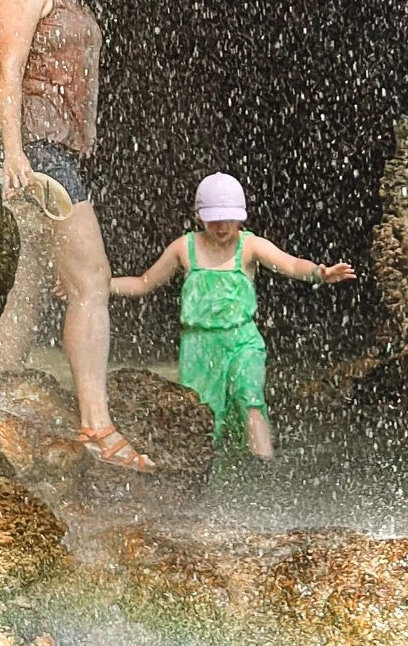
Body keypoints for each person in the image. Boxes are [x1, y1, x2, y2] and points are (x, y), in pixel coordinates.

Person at [0, 0, 154, 473]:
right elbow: (9, 73)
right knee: (91, 281)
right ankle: (97, 427)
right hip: (40, 153)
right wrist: (14, 156)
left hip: (57, 154)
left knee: (24, 288)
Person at [110, 172, 355, 458]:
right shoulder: (184, 247)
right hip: (198, 347)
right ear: (199, 216)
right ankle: (209, 479)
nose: (222, 226)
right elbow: (143, 283)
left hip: (242, 340)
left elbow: (290, 264)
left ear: (241, 217)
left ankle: (265, 472)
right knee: (201, 418)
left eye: (229, 218)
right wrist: (100, 285)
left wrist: (319, 273)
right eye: (214, 218)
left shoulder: (249, 245)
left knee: (250, 398)